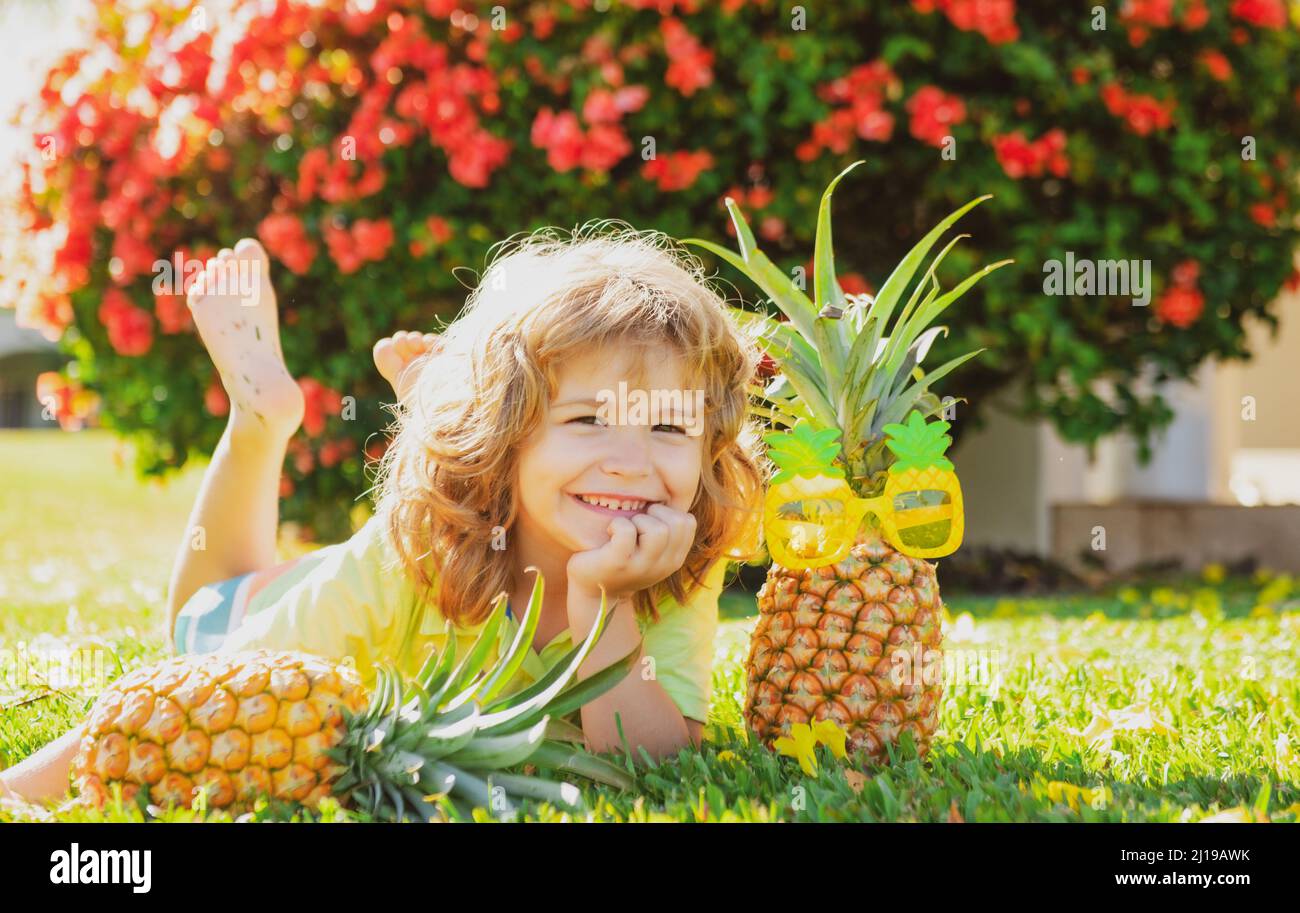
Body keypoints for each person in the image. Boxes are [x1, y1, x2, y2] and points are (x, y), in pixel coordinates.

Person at [0, 223, 764, 807]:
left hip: (468, 493)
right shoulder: (407, 559)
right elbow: (200, 687)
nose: (633, 461)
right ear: (511, 434)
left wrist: (607, 605)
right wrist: (20, 790)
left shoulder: (672, 552)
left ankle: (436, 409)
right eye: (587, 420)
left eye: (669, 426)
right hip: (281, 607)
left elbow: (661, 771)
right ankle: (263, 415)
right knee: (198, 615)